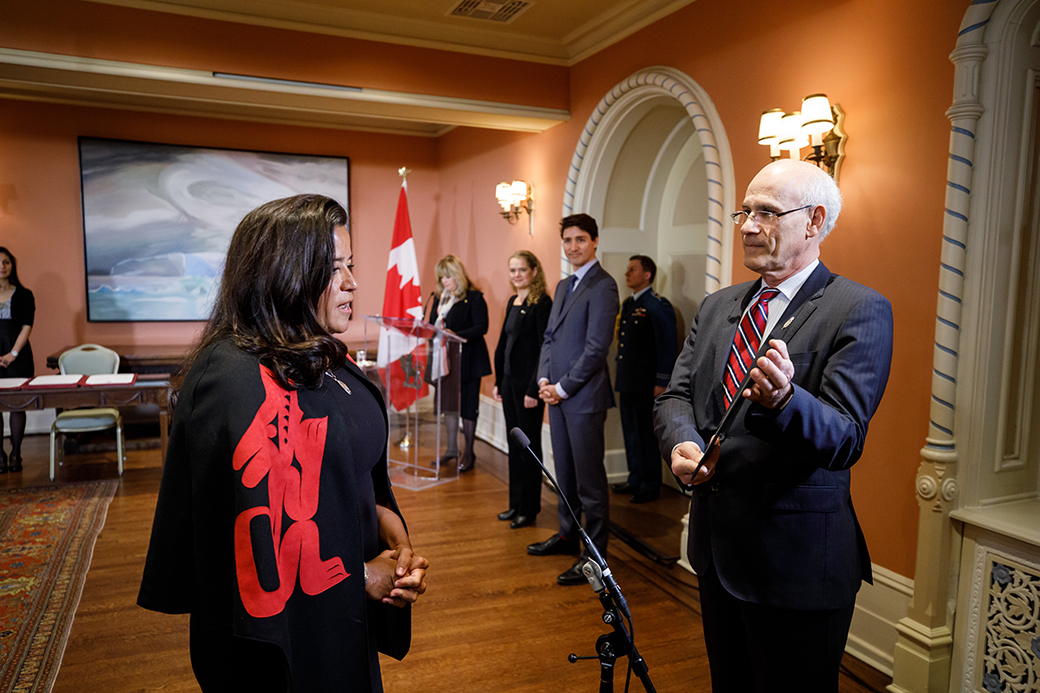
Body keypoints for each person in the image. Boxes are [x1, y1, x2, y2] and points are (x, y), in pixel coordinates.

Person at [138, 194, 428, 693]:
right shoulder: (232, 380)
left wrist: (397, 547)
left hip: (339, 620)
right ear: (286, 273)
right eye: (334, 268)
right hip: (275, 647)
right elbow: (247, 546)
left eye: (351, 265)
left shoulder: (323, 358)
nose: (353, 282)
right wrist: (362, 578)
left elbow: (354, 475)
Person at [654, 160, 893, 693]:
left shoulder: (858, 309)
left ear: (814, 222)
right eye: (745, 210)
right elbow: (674, 397)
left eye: (766, 212)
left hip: (796, 565)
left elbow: (845, 438)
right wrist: (683, 444)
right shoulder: (718, 307)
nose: (747, 225)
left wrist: (786, 399)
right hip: (716, 555)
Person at [528, 213, 620, 586]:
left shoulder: (604, 286)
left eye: (580, 240)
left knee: (590, 484)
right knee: (563, 475)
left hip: (582, 398)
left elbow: (597, 349)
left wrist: (563, 387)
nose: (573, 247)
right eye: (568, 241)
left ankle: (595, 559)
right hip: (558, 396)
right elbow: (549, 337)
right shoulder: (565, 285)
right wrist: (544, 379)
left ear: (595, 242)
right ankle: (568, 536)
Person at [492, 250, 552, 529]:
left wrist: (533, 388)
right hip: (508, 382)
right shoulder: (513, 301)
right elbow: (505, 344)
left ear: (534, 272)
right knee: (514, 447)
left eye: (522, 270)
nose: (517, 275)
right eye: (513, 270)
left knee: (529, 449)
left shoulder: (542, 303)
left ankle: (529, 509)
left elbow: (543, 349)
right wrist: (497, 381)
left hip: (528, 387)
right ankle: (515, 503)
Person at [613, 255, 677, 503]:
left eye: (632, 269)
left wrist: (662, 381)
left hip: (647, 383)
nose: (627, 274)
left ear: (647, 274)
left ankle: (650, 483)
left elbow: (667, 346)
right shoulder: (628, 303)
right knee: (630, 431)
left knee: (646, 434)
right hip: (628, 381)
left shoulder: (657, 305)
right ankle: (635, 478)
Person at [425, 255, 492, 473]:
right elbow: (430, 326)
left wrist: (455, 334)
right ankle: (452, 449)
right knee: (449, 406)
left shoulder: (474, 298)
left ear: (458, 276)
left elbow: (481, 327)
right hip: (445, 361)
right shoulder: (438, 298)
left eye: (448, 277)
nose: (444, 282)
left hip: (469, 360)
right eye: (441, 277)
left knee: (468, 407)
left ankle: (469, 452)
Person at [0, 247, 34, 474]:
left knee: (16, 406)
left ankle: (16, 453)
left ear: (12, 265)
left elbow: (26, 327)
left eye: (6, 262)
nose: (2, 267)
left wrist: (12, 354)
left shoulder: (24, 294)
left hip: (18, 358)